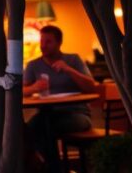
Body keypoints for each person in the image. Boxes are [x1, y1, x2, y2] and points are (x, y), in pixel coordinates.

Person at [22, 25, 97, 173]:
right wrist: (33, 88)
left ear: (59, 43)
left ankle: (52, 169)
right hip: (47, 114)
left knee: (43, 127)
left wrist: (68, 69)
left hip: (78, 115)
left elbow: (91, 87)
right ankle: (53, 168)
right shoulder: (33, 65)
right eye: (42, 41)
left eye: (48, 42)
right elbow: (20, 91)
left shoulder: (73, 59)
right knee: (28, 128)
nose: (43, 45)